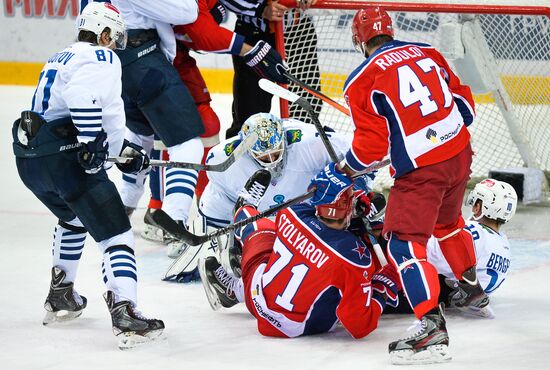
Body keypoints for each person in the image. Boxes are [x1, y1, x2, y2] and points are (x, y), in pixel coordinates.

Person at [308, 7, 483, 365]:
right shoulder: (427, 52)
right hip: (460, 154)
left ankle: (431, 325)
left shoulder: (360, 81)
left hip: (424, 172)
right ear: (390, 30)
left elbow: (370, 150)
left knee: (403, 245)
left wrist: (343, 170)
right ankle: (472, 291)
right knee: (448, 224)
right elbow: (465, 106)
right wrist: (432, 130)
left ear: (358, 39)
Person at [12, 2, 163, 349]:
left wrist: (123, 151)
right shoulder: (102, 57)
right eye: (115, 37)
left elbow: (96, 115)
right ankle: (125, 310)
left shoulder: (62, 55)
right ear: (104, 33)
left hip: (30, 160)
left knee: (73, 218)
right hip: (65, 160)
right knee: (117, 234)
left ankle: (61, 293)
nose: (116, 45)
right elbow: (81, 98)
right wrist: (91, 146)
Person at [163, 113, 375, 280]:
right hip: (268, 223)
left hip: (311, 214)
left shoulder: (312, 141)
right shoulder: (224, 160)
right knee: (231, 257)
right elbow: (217, 204)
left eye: (276, 153)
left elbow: (362, 156)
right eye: (264, 157)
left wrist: (360, 189)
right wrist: (209, 241)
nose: (272, 161)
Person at [198, 169, 400, 339]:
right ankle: (235, 288)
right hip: (299, 326)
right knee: (354, 274)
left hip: (257, 297)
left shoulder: (292, 214)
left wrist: (351, 208)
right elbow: (359, 325)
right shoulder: (354, 258)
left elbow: (324, 218)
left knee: (258, 225)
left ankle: (235, 287)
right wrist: (382, 288)